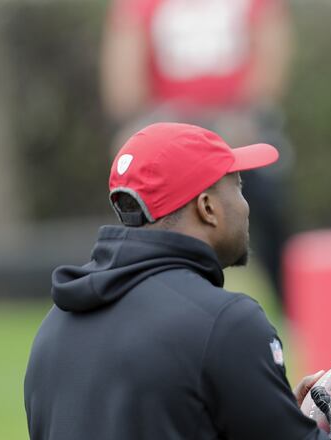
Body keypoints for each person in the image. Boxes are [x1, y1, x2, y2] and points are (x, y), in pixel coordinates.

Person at [23, 123, 331, 440]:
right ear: (208, 208)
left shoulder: (54, 327)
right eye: (238, 187)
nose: (246, 207)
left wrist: (273, 410)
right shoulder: (224, 322)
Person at [99, 0, 294, 305]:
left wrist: (240, 115)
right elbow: (125, 82)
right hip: (169, 126)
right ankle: (137, 301)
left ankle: (294, 308)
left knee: (267, 219)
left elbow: (271, 59)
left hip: (236, 123)